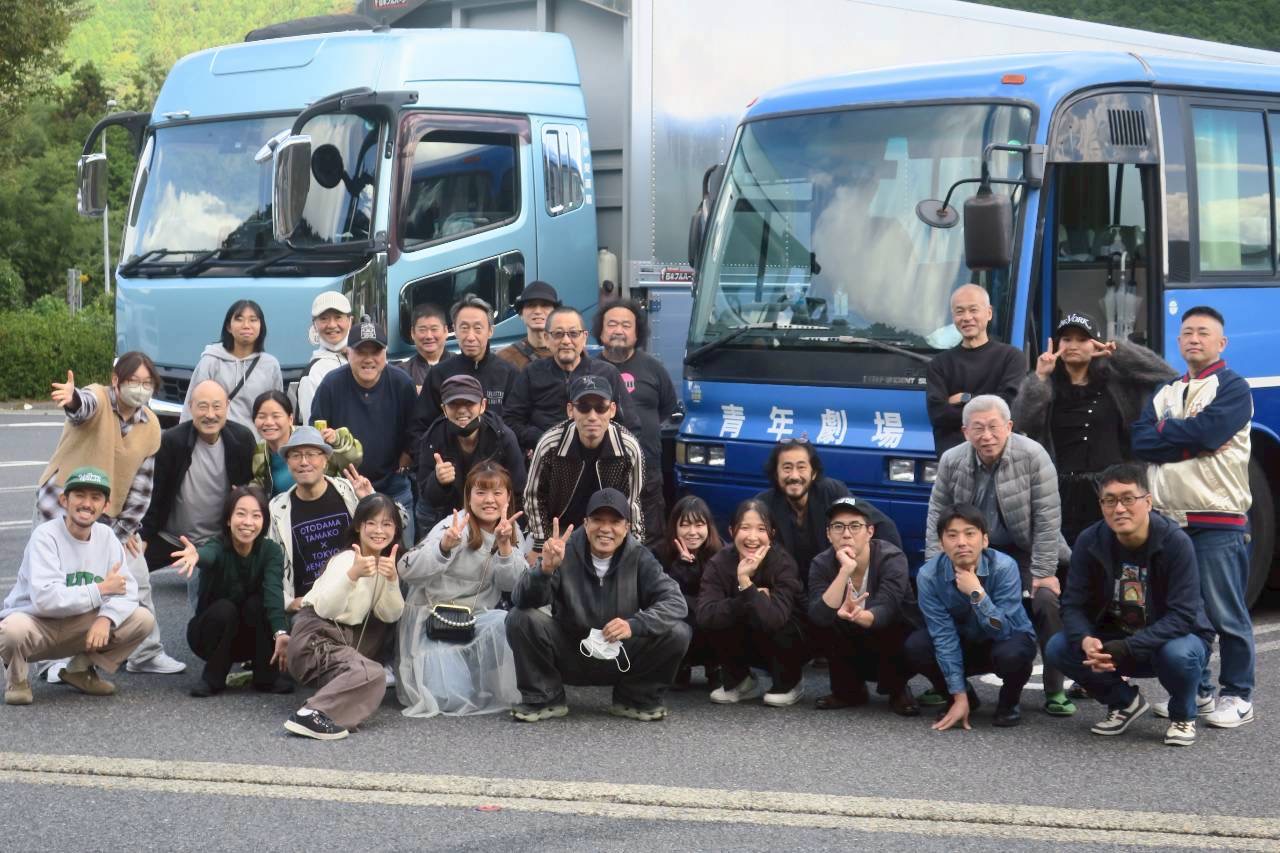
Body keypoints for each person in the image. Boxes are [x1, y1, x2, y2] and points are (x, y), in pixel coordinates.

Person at [1131, 305, 1255, 729]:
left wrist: (1172, 437)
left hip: (1218, 517)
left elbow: (1210, 431)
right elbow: (1140, 440)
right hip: (1168, 519)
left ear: (1221, 342)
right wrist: (1192, 442)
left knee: (1226, 613)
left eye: (1203, 332)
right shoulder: (1164, 390)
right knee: (1183, 612)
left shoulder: (1233, 387)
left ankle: (1238, 695)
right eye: (1187, 332)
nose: (1194, 339)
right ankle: (1197, 692)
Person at [1044, 464, 1215, 747]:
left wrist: (1128, 647)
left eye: (1128, 499)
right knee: (1058, 647)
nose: (1119, 509)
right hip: (1114, 639)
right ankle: (1124, 702)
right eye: (1109, 500)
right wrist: (1085, 639)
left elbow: (1183, 616)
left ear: (1147, 502)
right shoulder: (1090, 540)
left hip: (1168, 641)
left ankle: (1183, 715)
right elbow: (1073, 605)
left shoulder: (1175, 542)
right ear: (1101, 505)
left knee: (1179, 654)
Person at [924, 394, 1073, 716]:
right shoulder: (951, 460)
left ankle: (1054, 688)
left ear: (1009, 426)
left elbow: (1048, 518)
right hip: (971, 548)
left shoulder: (1033, 455)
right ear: (965, 431)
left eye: (994, 427)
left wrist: (1044, 571)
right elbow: (938, 514)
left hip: (1025, 549)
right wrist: (935, 565)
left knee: (1046, 601)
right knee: (944, 600)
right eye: (978, 428)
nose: (987, 436)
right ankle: (948, 683)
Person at [505, 488, 690, 721]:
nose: (605, 528)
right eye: (598, 520)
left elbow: (675, 602)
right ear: (586, 523)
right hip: (572, 651)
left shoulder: (639, 556)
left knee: (678, 631)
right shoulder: (564, 550)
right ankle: (544, 698)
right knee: (519, 617)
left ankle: (636, 698)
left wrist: (633, 625)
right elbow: (521, 599)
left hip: (621, 656)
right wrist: (545, 570)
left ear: (627, 527)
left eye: (615, 522)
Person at [34, 353, 162, 682]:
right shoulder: (99, 398)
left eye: (147, 383)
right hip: (59, 508)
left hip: (109, 517)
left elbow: (142, 488)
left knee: (137, 576)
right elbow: (83, 407)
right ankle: (50, 663)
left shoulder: (151, 426)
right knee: (57, 583)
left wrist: (118, 535)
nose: (140, 388)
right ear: (116, 381)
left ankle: (145, 653)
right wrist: (72, 398)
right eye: (133, 381)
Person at [1012, 312, 1177, 544]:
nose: (1073, 345)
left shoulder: (1117, 382)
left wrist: (1119, 351)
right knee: (1065, 557)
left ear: (1096, 344)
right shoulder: (1048, 386)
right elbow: (1022, 421)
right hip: (1059, 491)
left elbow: (1167, 375)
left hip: (1112, 490)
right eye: (1067, 339)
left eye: (1082, 339)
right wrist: (1039, 377)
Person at [1, 467, 155, 705]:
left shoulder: (107, 537)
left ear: (105, 506)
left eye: (95, 497)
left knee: (142, 619)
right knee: (12, 629)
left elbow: (127, 592)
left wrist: (106, 618)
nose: (87, 504)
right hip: (38, 625)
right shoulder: (45, 536)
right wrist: (100, 590)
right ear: (64, 500)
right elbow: (45, 600)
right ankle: (17, 679)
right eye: (79, 495)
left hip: (80, 625)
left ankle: (80, 670)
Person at [398, 462, 529, 717]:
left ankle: (480, 675)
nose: (489, 500)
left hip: (475, 617)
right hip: (435, 621)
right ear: (469, 497)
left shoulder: (510, 531)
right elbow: (406, 568)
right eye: (481, 492)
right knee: (447, 697)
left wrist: (505, 548)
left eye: (497, 493)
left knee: (508, 621)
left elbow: (514, 586)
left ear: (508, 498)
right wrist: (443, 548)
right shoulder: (453, 525)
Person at [284, 493, 405, 740]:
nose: (379, 530)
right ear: (358, 526)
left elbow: (390, 614)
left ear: (395, 530)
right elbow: (326, 609)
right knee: (372, 674)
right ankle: (312, 713)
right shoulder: (346, 559)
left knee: (372, 673)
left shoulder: (383, 564)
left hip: (340, 640)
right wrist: (352, 575)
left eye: (387, 524)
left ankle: (326, 709)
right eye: (371, 523)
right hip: (314, 639)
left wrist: (392, 580)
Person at [906, 504, 1038, 729]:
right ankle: (962, 699)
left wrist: (977, 594)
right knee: (917, 645)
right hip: (962, 643)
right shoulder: (928, 576)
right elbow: (943, 637)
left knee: (1014, 652)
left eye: (969, 533)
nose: (961, 542)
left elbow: (1003, 630)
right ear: (941, 544)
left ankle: (1009, 703)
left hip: (1001, 641)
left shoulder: (1004, 567)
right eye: (952, 535)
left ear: (984, 540)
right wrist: (958, 695)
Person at [143, 380, 256, 629]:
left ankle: (212, 637)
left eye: (217, 406)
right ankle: (131, 639)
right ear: (191, 407)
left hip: (218, 540)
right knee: (127, 574)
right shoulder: (172, 441)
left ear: (227, 406)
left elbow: (251, 491)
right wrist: (142, 537)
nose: (210, 414)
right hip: (172, 537)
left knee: (224, 603)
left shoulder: (242, 439)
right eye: (202, 406)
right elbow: (156, 494)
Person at [169, 485, 292, 697]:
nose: (248, 522)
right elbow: (209, 554)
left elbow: (273, 591)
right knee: (226, 609)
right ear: (228, 519)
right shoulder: (218, 545)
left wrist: (280, 632)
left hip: (250, 639)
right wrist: (196, 556)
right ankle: (212, 679)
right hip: (209, 635)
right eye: (240, 514)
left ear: (264, 522)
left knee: (258, 603)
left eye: (256, 516)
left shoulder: (270, 551)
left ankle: (266, 677)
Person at [310, 314, 418, 543]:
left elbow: (416, 430)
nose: (368, 359)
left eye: (375, 352)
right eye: (361, 352)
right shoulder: (331, 384)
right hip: (345, 488)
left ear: (385, 353)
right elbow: (315, 431)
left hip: (394, 486)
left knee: (402, 555)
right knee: (349, 556)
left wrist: (407, 457)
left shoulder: (402, 383)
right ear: (348, 352)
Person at [808, 497, 919, 716]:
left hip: (889, 634)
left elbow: (887, 607)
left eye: (855, 526)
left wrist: (860, 615)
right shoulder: (821, 563)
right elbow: (818, 616)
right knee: (826, 621)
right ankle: (848, 691)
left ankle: (897, 689)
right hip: (851, 639)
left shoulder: (892, 557)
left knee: (897, 624)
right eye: (838, 527)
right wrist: (845, 571)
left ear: (870, 532)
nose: (846, 534)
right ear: (828, 534)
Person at [696, 499, 808, 707]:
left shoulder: (783, 563)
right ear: (731, 531)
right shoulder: (719, 563)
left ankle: (789, 682)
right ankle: (741, 681)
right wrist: (747, 593)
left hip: (788, 640)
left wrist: (746, 584)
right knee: (719, 617)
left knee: (783, 623)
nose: (752, 537)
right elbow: (704, 614)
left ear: (772, 534)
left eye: (761, 529)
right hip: (747, 635)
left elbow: (774, 619)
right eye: (745, 528)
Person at [524, 375, 645, 551]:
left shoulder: (629, 448)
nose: (592, 416)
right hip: (556, 530)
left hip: (606, 531)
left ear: (612, 410)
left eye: (600, 408)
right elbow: (533, 497)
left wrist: (634, 550)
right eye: (584, 407)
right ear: (570, 410)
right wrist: (540, 543)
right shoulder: (550, 444)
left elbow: (632, 504)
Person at [266, 427, 376, 616]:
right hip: (309, 606)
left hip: (357, 597)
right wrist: (289, 602)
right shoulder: (277, 509)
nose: (304, 462)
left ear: (325, 460)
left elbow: (399, 523)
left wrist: (370, 500)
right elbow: (270, 565)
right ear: (287, 462)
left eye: (311, 454)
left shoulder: (350, 491)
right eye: (296, 456)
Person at [594, 298, 679, 543]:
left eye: (626, 325)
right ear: (601, 330)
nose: (618, 330)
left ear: (637, 332)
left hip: (647, 469)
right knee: (602, 532)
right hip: (599, 468)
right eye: (612, 324)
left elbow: (667, 409)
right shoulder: (590, 369)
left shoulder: (654, 368)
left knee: (649, 538)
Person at [504, 306, 642, 452]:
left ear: (584, 337)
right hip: (546, 457)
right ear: (546, 338)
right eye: (558, 334)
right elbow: (510, 420)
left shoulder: (607, 373)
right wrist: (541, 440)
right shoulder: (532, 373)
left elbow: (630, 427)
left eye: (574, 334)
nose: (566, 341)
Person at [756, 441, 901, 580]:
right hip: (789, 586)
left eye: (801, 467)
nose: (794, 476)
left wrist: (888, 572)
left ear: (813, 473)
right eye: (787, 468)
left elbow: (882, 524)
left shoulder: (832, 492)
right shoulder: (764, 504)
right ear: (776, 474)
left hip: (832, 581)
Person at [414, 374, 526, 537]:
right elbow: (427, 498)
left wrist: (508, 527)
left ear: (483, 405)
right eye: (453, 404)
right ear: (444, 409)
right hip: (447, 519)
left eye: (469, 403)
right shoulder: (432, 438)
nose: (461, 410)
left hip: (493, 518)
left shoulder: (503, 437)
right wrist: (438, 481)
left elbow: (518, 490)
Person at [407, 295, 518, 454]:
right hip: (448, 463)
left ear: (490, 331)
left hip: (496, 463)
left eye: (478, 328)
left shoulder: (508, 373)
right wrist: (432, 461)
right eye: (464, 328)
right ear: (454, 330)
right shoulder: (439, 374)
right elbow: (418, 429)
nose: (470, 337)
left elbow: (516, 424)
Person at [925, 284, 1024, 455]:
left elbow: (1009, 406)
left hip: (1001, 460)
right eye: (960, 312)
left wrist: (965, 398)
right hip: (955, 461)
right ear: (953, 317)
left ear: (989, 313)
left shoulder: (1011, 357)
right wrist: (991, 407)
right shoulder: (939, 364)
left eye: (973, 310)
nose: (966, 317)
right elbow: (938, 415)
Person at [651, 495, 724, 689]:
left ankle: (716, 665)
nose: (692, 532)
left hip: (710, 621)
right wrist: (682, 567)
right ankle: (680, 663)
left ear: (708, 527)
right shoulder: (659, 553)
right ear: (674, 526)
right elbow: (662, 596)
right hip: (680, 620)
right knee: (676, 611)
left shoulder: (721, 552)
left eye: (699, 525)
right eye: (685, 525)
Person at [181, 299, 284, 431]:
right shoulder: (211, 361)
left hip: (255, 440)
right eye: (239, 319)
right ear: (229, 327)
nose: (246, 325)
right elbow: (191, 406)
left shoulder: (270, 365)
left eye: (253, 320)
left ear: (261, 326)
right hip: (216, 439)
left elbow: (278, 410)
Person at [251, 390, 362, 498]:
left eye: (276, 416)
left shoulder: (311, 439)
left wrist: (338, 441)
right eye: (261, 417)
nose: (269, 422)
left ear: (290, 419)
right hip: (283, 509)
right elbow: (260, 482)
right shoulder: (260, 449)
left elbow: (354, 459)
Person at [297, 292, 353, 426]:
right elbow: (312, 430)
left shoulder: (362, 360)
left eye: (338, 317)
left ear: (350, 321)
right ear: (314, 324)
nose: (332, 325)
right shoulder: (313, 373)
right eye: (324, 319)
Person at [496, 280, 560, 370]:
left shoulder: (569, 353)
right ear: (521, 314)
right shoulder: (504, 358)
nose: (538, 311)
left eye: (545, 305)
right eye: (531, 305)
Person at [395, 304, 448, 391]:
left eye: (434, 329)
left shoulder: (461, 365)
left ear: (445, 331)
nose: (429, 336)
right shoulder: (401, 373)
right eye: (422, 330)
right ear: (413, 333)